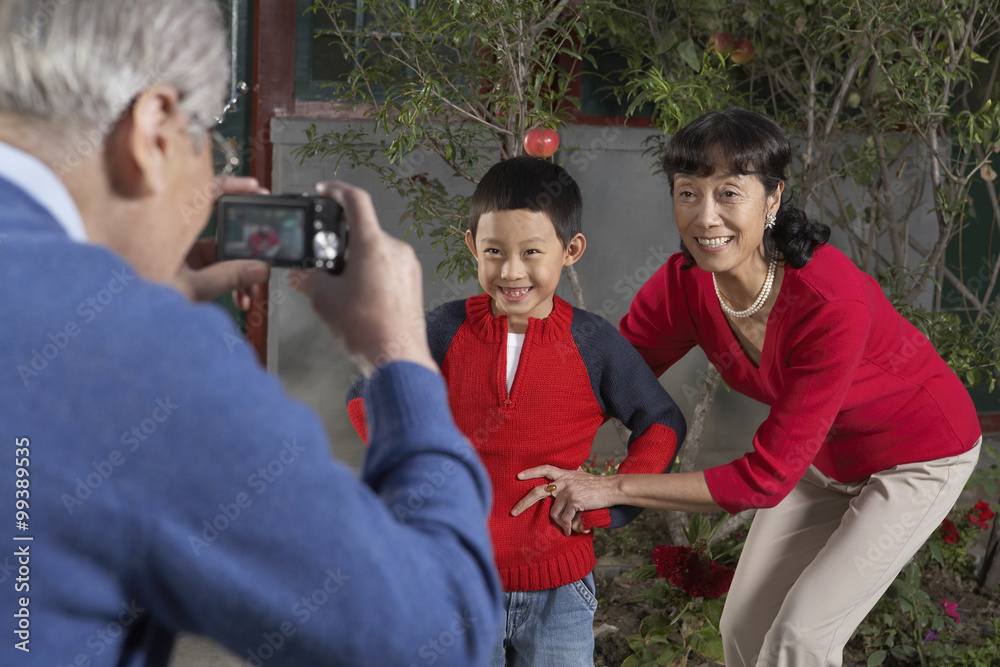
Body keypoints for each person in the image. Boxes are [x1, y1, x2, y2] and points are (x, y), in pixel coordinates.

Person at [0, 1, 500, 665]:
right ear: (153, 128)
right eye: (213, 145)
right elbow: (440, 632)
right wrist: (400, 357)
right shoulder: (143, 356)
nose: (212, 186)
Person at [511, 108, 983, 666]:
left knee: (800, 640)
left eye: (729, 193)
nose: (706, 217)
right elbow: (604, 382)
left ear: (773, 199)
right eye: (687, 193)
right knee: (744, 630)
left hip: (917, 455)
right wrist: (503, 434)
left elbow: (762, 480)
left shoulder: (830, 304)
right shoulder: (685, 285)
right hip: (822, 457)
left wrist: (612, 488)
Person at [346, 156, 687, 666]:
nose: (511, 271)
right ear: (472, 248)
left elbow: (660, 421)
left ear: (570, 250)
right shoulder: (442, 329)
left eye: (531, 251)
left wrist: (610, 498)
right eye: (493, 251)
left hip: (560, 588)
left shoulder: (593, 343)